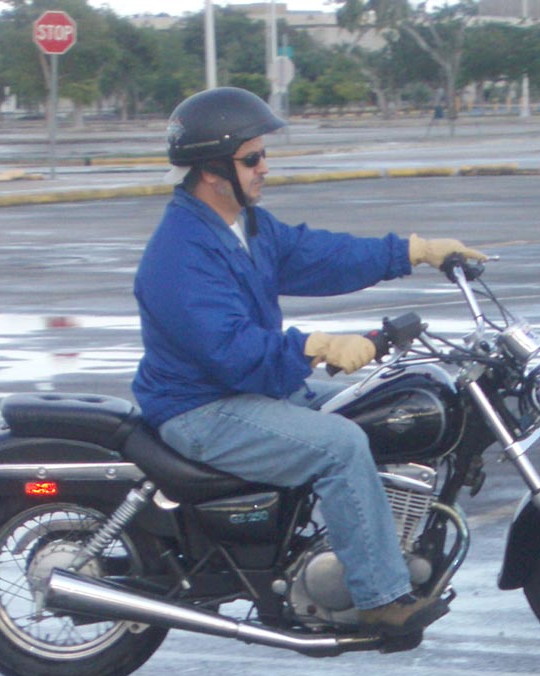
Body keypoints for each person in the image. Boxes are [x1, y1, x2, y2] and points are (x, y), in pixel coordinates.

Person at [132, 87, 486, 637]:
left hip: (246, 389)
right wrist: (313, 346)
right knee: (341, 445)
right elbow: (229, 352)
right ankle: (379, 597)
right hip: (201, 408)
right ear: (212, 169)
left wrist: (411, 251)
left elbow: (320, 255)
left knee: (384, 405)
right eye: (252, 158)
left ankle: (360, 546)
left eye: (262, 155)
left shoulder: (245, 227)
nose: (264, 167)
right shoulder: (180, 253)